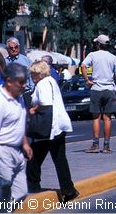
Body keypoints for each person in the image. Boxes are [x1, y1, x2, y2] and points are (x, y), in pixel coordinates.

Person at [26, 61, 79, 202]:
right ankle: (68, 190)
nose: (31, 76)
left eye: (32, 73)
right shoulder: (51, 81)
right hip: (57, 127)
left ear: (38, 73)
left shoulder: (42, 84)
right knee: (57, 159)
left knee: (35, 155)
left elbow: (45, 102)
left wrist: (33, 109)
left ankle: (33, 185)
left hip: (50, 128)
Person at [0, 63, 33, 204]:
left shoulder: (19, 97)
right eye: (21, 83)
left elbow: (18, 123)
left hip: (16, 151)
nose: (24, 86)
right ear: (9, 81)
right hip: (1, 151)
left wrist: (25, 144)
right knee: (3, 196)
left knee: (20, 193)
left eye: (25, 82)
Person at [81, 34, 116, 153]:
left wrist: (87, 80)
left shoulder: (92, 55)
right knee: (107, 118)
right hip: (110, 89)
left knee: (96, 118)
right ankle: (106, 146)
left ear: (98, 44)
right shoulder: (113, 57)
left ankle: (95, 145)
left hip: (96, 89)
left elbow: (83, 66)